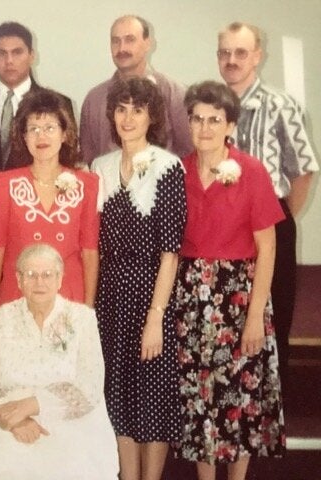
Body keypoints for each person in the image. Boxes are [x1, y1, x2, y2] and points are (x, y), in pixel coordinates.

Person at [174, 81, 286, 479]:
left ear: (230, 125)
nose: (204, 128)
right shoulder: (178, 171)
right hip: (191, 299)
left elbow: (268, 249)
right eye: (197, 119)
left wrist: (255, 315)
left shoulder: (251, 171)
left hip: (238, 298)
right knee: (199, 401)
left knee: (242, 398)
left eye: (214, 120)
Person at [91, 77, 186, 480]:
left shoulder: (168, 166)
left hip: (153, 292)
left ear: (152, 116)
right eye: (121, 109)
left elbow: (171, 252)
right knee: (118, 397)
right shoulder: (100, 168)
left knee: (153, 397)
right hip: (111, 295)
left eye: (138, 109)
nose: (128, 118)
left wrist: (155, 317)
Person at [217, 21, 319, 391]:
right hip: (219, 232)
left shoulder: (281, 105)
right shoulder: (207, 107)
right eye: (225, 52)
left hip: (269, 226)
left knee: (271, 319)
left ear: (258, 56)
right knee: (225, 322)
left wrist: (277, 215)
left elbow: (304, 171)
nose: (231, 60)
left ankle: (269, 417)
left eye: (240, 52)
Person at [0, 243, 119, 479]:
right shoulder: (1, 319)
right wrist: (14, 421)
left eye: (48, 274)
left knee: (77, 468)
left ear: (60, 279)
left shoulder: (82, 319)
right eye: (31, 275)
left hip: (72, 420)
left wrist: (34, 405)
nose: (40, 282)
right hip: (11, 421)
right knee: (5, 467)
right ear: (18, 280)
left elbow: (90, 385)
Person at [0, 88, 99, 315]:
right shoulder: (1, 184)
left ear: (65, 134)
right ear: (23, 137)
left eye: (50, 128)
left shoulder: (87, 184)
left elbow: (90, 253)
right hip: (17, 299)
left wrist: (88, 312)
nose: (41, 137)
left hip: (69, 300)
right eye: (33, 129)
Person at [0, 21, 75, 174]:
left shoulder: (59, 104)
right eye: (1, 53)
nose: (9, 61)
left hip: (39, 194)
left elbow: (67, 163)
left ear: (32, 55)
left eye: (17, 52)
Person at [80, 15, 191, 163]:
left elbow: (190, 155)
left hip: (162, 184)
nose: (122, 48)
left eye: (130, 39)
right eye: (115, 41)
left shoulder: (175, 94)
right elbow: (88, 161)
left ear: (148, 44)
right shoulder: (94, 100)